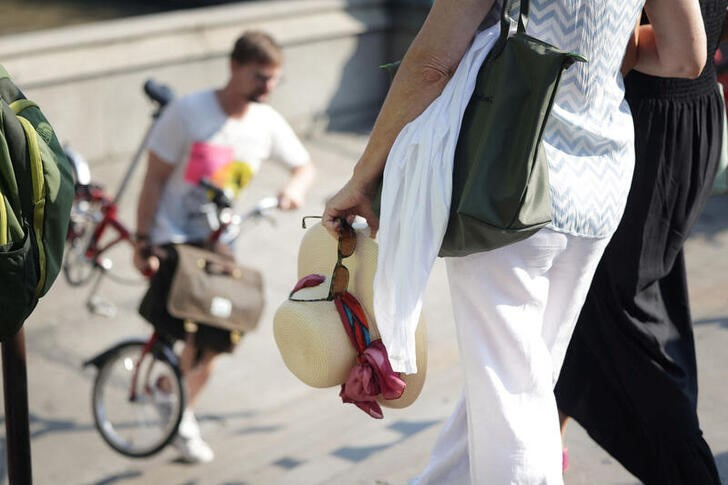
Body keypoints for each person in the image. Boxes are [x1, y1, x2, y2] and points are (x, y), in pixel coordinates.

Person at [322, 0, 706, 483]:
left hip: (506, 180)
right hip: (600, 180)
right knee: (521, 381)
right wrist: (598, 48)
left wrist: (363, 176)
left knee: (510, 392)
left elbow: (431, 64)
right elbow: (684, 57)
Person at [555, 3, 726, 483]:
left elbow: (683, 53)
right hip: (682, 114)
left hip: (649, 123)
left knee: (624, 316)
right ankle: (536, 458)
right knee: (578, 315)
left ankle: (691, 473)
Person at [133, 30, 314, 463]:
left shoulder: (265, 121)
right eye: (259, 77)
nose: (267, 87)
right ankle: (177, 409)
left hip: (219, 240)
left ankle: (173, 399)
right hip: (174, 238)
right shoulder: (188, 112)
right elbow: (154, 178)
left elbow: (304, 165)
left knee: (219, 333)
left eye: (274, 80)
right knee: (186, 326)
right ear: (233, 67)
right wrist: (142, 240)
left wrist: (294, 188)